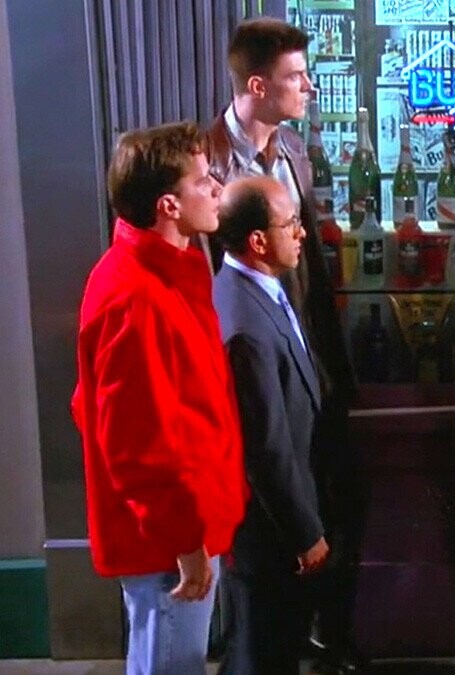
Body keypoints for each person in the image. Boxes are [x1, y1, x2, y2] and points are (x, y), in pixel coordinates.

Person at [204, 18, 362, 672]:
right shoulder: (205, 161)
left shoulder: (294, 148)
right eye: (296, 76)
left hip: (304, 350)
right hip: (251, 348)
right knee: (271, 513)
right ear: (257, 85)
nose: (309, 87)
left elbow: (310, 260)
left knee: (328, 497)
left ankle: (321, 636)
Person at [71, 121, 245, 674]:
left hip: (181, 527)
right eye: (203, 180)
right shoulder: (136, 295)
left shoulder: (166, 274)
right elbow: (135, 442)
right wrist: (184, 538)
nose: (217, 189)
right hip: (169, 541)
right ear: (169, 205)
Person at [212, 176, 328, 674]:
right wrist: (305, 533)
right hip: (269, 537)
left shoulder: (261, 289)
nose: (302, 233)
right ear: (257, 241)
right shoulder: (245, 325)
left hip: (279, 527)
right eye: (291, 223)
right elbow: (266, 448)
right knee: (261, 656)